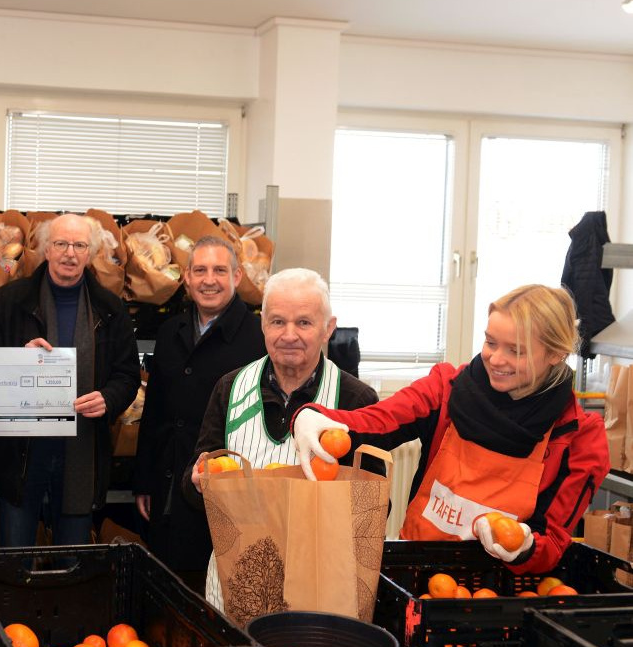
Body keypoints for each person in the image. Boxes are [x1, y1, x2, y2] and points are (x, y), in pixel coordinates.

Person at [293, 283, 609, 574]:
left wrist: (525, 546)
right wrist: (315, 417)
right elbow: (378, 421)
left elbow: (551, 543)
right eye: (490, 342)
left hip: (498, 595)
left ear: (555, 354)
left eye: (516, 350)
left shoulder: (578, 437)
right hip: (416, 575)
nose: (495, 359)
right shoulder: (447, 389)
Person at [186, 267, 379, 609]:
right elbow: (195, 481)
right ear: (263, 326)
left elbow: (375, 506)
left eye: (304, 323)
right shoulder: (230, 389)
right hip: (237, 574)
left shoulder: (355, 400)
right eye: (277, 322)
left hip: (319, 578)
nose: (289, 334)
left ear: (327, 329)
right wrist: (198, 479)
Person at [0, 213, 141, 547]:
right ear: (45, 250)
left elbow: (127, 374)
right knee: (13, 556)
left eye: (79, 245)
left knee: (74, 557)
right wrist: (20, 358)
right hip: (21, 453)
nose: (70, 253)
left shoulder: (110, 310)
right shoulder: (8, 302)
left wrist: (108, 398)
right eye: (61, 243)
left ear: (90, 252)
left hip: (82, 449)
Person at [133, 236, 265, 592]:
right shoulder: (169, 331)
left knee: (220, 589)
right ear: (186, 279)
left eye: (220, 270)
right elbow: (155, 410)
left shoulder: (258, 337)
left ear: (237, 277)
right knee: (169, 588)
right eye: (200, 270)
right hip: (168, 482)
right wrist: (144, 481)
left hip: (227, 491)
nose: (210, 280)